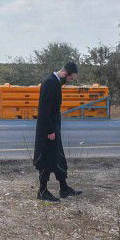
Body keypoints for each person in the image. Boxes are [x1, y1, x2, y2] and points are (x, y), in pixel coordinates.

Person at [34, 61, 83, 202]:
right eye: (71, 78)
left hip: (53, 127)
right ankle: (42, 191)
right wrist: (50, 130)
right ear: (65, 73)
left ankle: (64, 188)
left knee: (58, 156)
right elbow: (45, 109)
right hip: (47, 130)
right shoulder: (50, 82)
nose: (70, 81)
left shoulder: (55, 82)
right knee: (46, 157)